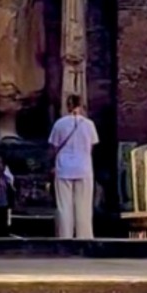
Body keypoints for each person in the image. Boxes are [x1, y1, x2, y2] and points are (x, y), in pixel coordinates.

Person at [47, 94, 98, 239]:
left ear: (68, 105)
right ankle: (85, 237)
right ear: (81, 105)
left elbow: (54, 147)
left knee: (64, 207)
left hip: (64, 168)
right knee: (83, 206)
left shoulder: (59, 124)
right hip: (84, 168)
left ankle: (65, 237)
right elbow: (92, 146)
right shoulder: (89, 125)